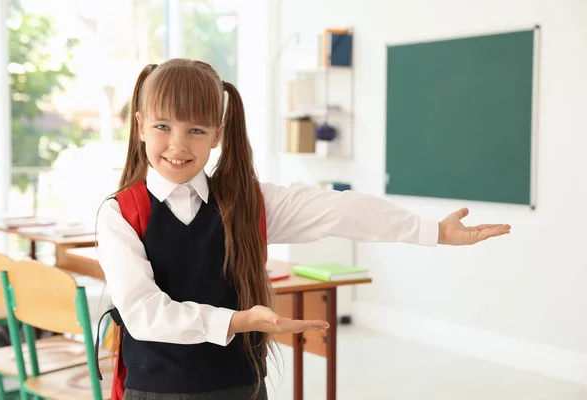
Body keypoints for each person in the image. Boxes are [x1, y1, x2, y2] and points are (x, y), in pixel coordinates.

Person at [96, 58, 510, 400]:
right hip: (155, 392)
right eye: (163, 127)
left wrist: (432, 230)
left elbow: (338, 211)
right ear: (141, 125)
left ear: (217, 135)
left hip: (240, 388)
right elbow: (145, 314)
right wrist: (238, 321)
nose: (178, 145)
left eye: (196, 130)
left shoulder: (247, 202)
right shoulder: (121, 214)